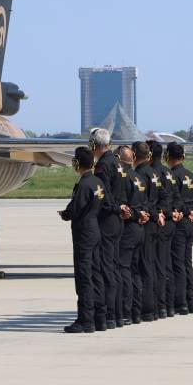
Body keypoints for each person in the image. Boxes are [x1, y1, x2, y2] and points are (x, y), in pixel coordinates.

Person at [58, 147, 106, 332]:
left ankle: (85, 320)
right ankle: (100, 318)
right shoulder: (98, 182)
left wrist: (65, 214)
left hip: (84, 233)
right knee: (97, 274)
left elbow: (75, 207)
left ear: (77, 163)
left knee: (84, 276)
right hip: (95, 230)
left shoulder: (84, 184)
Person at [90, 128, 126, 329]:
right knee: (115, 268)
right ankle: (118, 314)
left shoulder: (103, 165)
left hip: (107, 220)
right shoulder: (117, 162)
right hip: (118, 219)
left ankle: (109, 315)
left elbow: (103, 195)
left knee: (106, 270)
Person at [166, 142, 193, 314]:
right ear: (183, 156)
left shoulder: (172, 176)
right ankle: (190, 301)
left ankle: (180, 302)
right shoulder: (190, 175)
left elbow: (176, 199)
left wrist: (187, 211)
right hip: (190, 223)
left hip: (181, 222)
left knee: (178, 263)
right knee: (186, 262)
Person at [148, 139, 180, 318]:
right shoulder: (169, 173)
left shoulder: (152, 174)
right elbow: (175, 197)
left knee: (157, 267)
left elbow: (155, 199)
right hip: (170, 222)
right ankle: (169, 305)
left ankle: (159, 306)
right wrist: (178, 211)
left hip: (159, 222)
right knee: (167, 266)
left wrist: (159, 213)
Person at [116, 145, 147, 326]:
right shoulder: (139, 177)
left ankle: (126, 312)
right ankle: (136, 312)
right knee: (135, 271)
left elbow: (125, 207)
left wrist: (134, 214)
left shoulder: (124, 178)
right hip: (140, 229)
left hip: (128, 229)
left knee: (124, 270)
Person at [132, 141, 161, 321]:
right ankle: (155, 307)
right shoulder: (155, 173)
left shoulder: (139, 175)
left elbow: (143, 200)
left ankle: (147, 308)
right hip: (156, 221)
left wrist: (146, 214)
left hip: (146, 222)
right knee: (152, 265)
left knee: (143, 267)